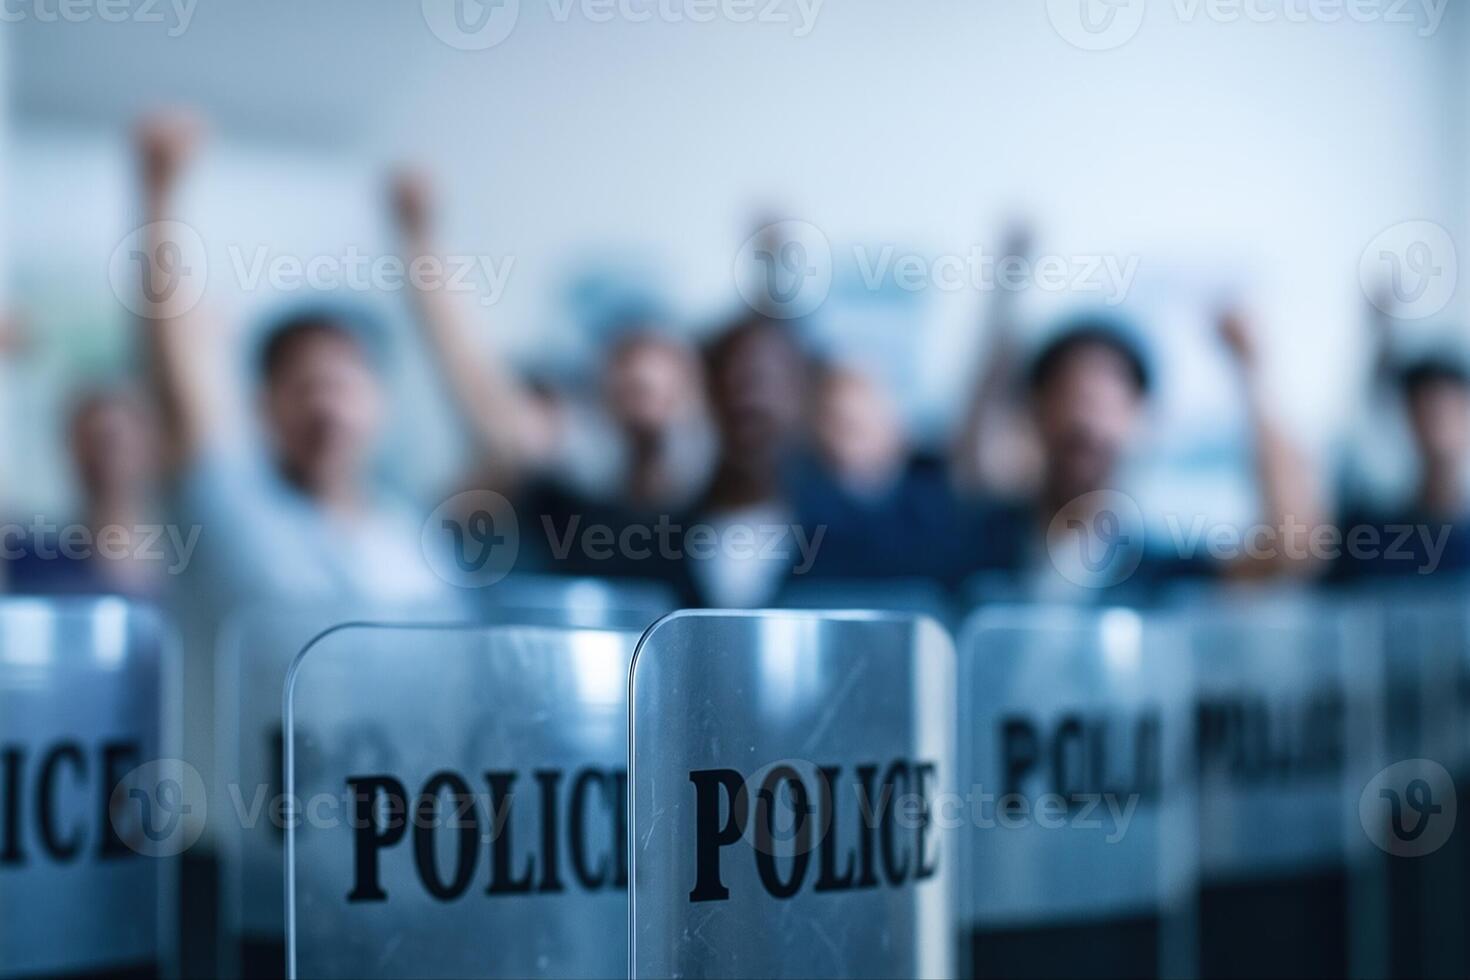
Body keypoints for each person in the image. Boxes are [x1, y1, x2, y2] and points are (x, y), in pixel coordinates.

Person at [390, 171, 710, 577]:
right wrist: (420, 240)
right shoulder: (570, 454)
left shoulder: (717, 462)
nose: (643, 376)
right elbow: (483, 396)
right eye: (624, 358)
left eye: (656, 355)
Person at [960, 309, 1323, 602]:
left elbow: (1288, 551)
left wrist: (1251, 375)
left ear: (1142, 422)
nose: (1086, 419)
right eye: (1068, 395)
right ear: (1034, 413)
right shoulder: (973, 544)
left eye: (1108, 402)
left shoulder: (1154, 568)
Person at [7, 388, 165, 598]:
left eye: (111, 442)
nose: (101, 459)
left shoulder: (189, 559)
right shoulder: (29, 556)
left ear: (148, 448)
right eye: (87, 443)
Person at [1332, 355, 1470, 581]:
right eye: (1426, 414)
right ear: (1407, 421)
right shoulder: (1369, 537)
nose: (1438, 432)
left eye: (1449, 414)